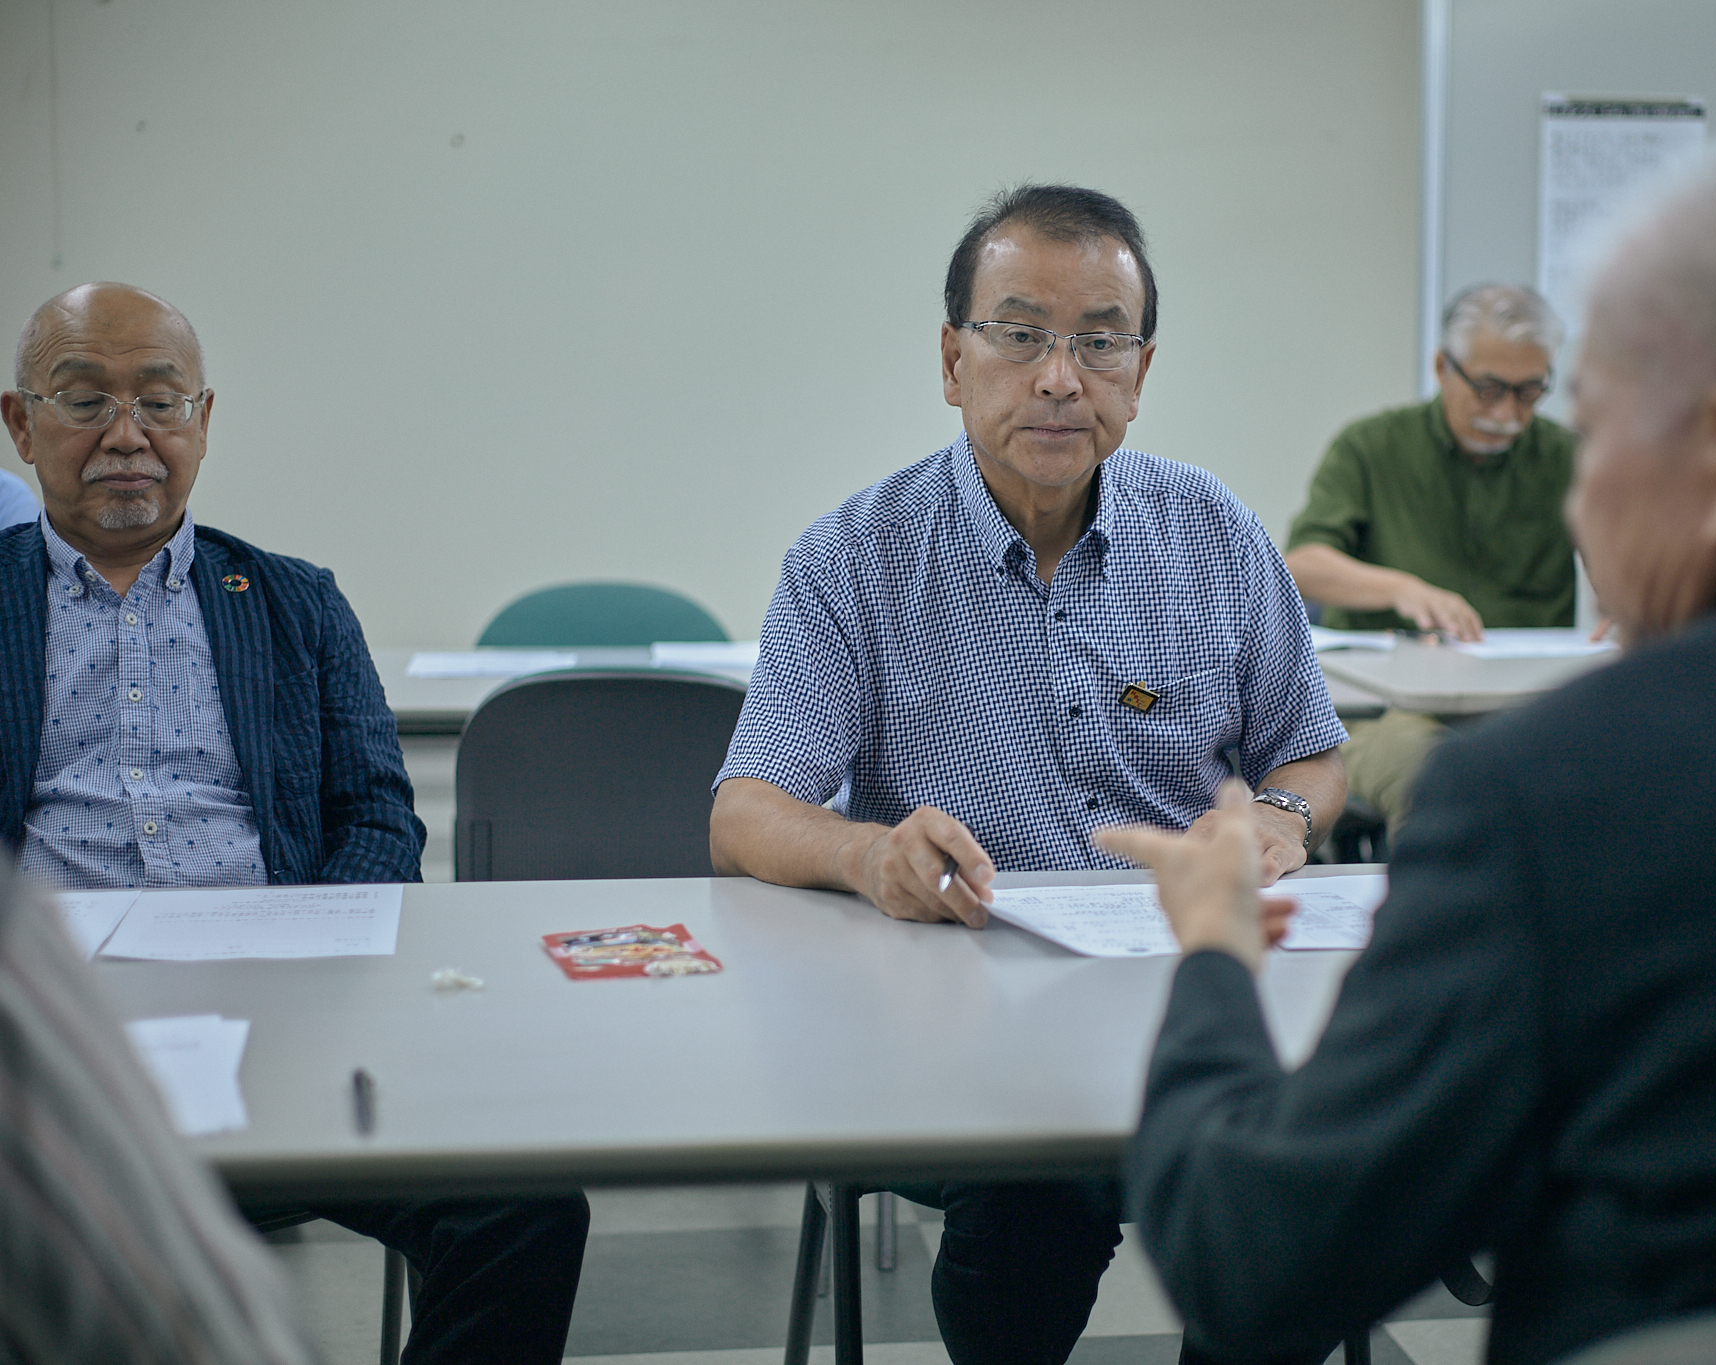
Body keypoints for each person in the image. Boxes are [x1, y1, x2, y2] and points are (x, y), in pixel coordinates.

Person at [1112, 132, 1716, 1365]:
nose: (1575, 499)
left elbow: (1257, 1266)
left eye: (1596, 437)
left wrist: (1217, 960)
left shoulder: (1551, 799)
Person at [709, 185, 1347, 1365]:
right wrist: (866, 852)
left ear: (1140, 369)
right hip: (970, 999)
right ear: (952, 361)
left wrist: (1277, 815)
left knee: (1308, 1185)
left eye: (1099, 340)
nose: (1060, 377)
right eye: (1018, 334)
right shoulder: (854, 557)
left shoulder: (1213, 533)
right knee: (1030, 1201)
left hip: (1186, 980)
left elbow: (1307, 746)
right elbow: (746, 808)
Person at [0, 283, 589, 1365]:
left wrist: (306, 955)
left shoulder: (292, 601)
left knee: (523, 1203)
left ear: (204, 422)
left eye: (160, 403)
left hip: (288, 1024)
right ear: (19, 423)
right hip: (46, 1045)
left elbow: (377, 814)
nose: (126, 437)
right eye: (84, 401)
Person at [0, 853, 315, 1363]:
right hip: (74, 972)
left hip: (283, 981)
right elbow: (214, 1346)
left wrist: (325, 932)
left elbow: (375, 817)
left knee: (485, 1213)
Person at [1284, 283, 1576, 831]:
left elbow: (1632, 561)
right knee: (1440, 786)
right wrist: (1403, 590)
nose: (1509, 414)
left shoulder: (1565, 458)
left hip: (1529, 710)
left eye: (1530, 392)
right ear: (1443, 367)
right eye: (1490, 390)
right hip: (1389, 716)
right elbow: (1302, 564)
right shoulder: (1372, 447)